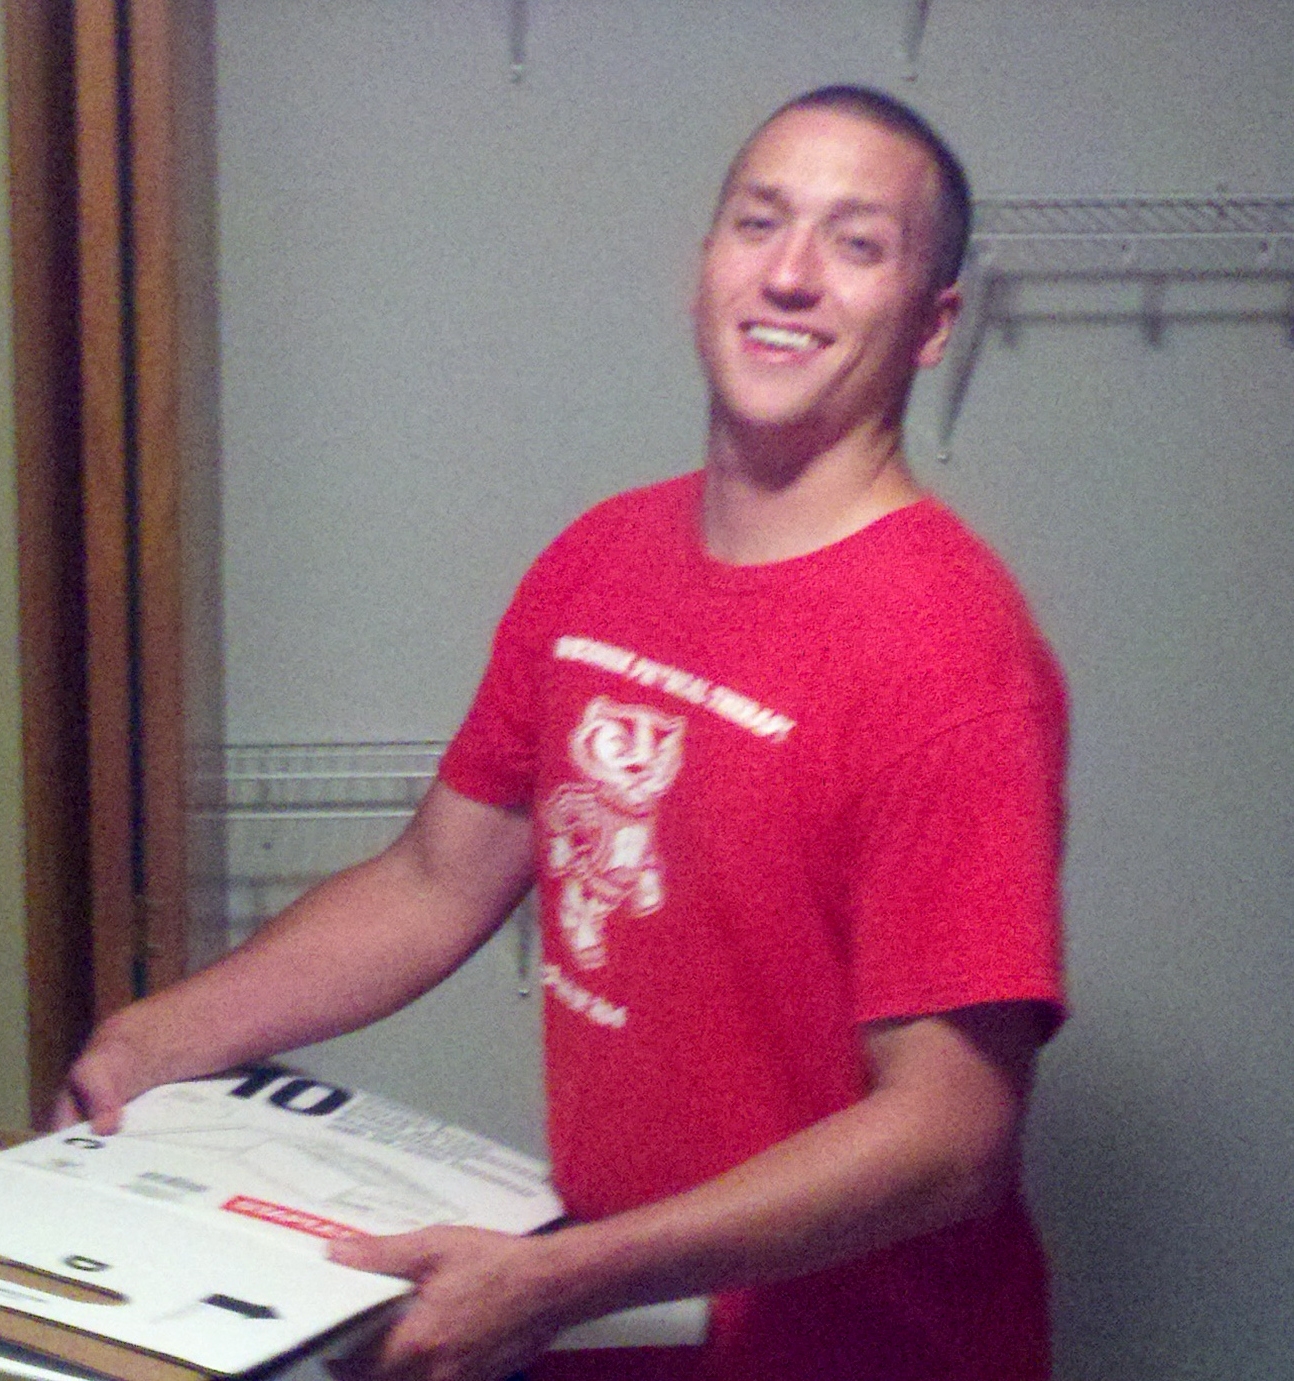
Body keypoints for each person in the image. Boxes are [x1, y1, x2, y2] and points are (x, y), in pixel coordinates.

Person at [57, 85, 1068, 1381]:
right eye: (760, 221)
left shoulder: (951, 653)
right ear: (705, 263)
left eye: (857, 243)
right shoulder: (600, 560)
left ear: (930, 323)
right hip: (622, 1332)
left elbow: (954, 1134)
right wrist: (154, 1038)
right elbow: (434, 883)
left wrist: (558, 1278)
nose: (791, 273)